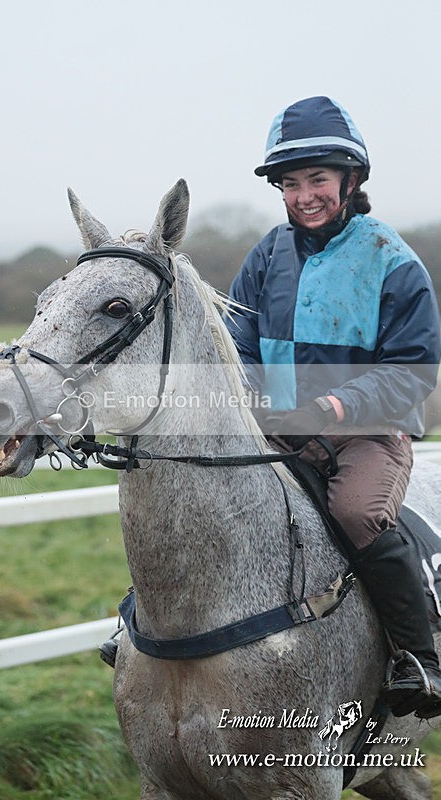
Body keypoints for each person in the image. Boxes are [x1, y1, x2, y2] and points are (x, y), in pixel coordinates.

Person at [225, 95, 441, 719]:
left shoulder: (393, 261)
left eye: (317, 179)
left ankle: (418, 659)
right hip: (281, 431)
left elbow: (412, 372)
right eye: (290, 184)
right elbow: (236, 339)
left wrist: (333, 408)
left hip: (367, 436)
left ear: (351, 179)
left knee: (353, 513)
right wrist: (250, 394)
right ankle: (142, 628)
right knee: (205, 493)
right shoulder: (267, 255)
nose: (303, 196)